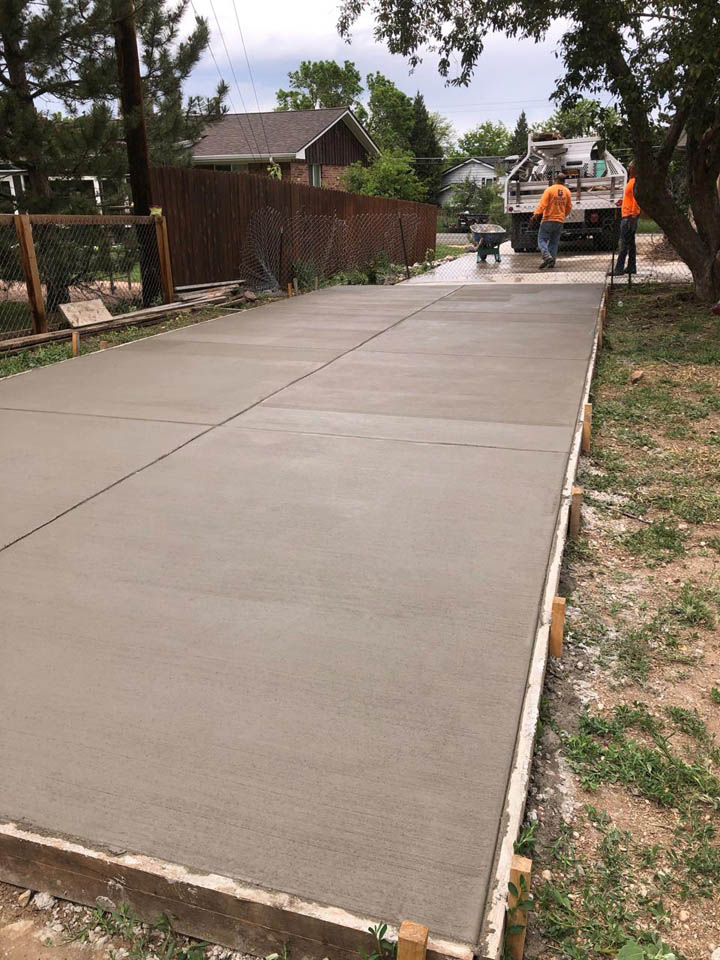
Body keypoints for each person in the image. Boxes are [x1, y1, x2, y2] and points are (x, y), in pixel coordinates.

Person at [530, 173, 573, 269]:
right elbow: (569, 207)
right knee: (554, 241)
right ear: (564, 181)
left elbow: (543, 205)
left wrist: (535, 215)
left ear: (555, 180)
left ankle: (547, 256)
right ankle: (551, 261)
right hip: (559, 221)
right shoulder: (567, 192)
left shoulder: (549, 190)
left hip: (548, 219)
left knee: (541, 239)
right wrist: (562, 215)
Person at [614, 161, 640, 275]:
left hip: (629, 217)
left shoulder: (634, 182)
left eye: (629, 167)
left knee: (624, 243)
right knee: (630, 244)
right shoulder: (631, 181)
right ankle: (631, 267)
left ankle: (619, 269)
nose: (628, 168)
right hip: (628, 215)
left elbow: (636, 200)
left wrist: (633, 216)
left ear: (634, 169)